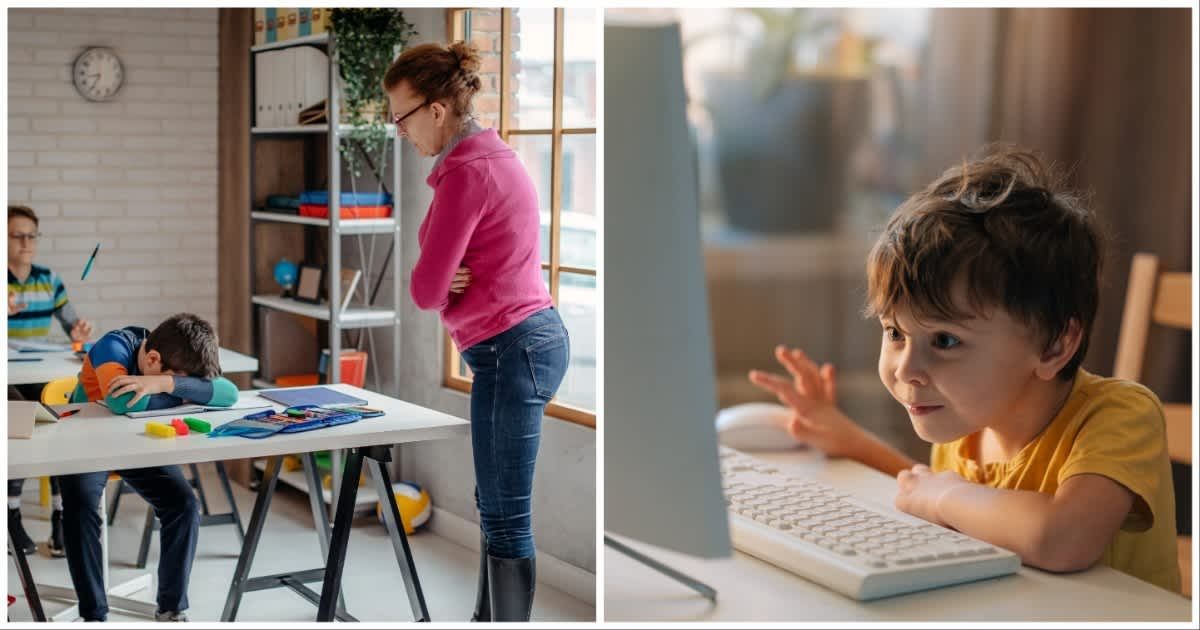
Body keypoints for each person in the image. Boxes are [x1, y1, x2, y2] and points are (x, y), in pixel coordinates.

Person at [749, 146, 1180, 593]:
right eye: (894, 332)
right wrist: (848, 439)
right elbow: (925, 490)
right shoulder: (969, 420)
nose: (908, 369)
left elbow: (1061, 538)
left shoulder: (1119, 415)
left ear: (1054, 346)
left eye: (945, 340)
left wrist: (945, 496)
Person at [384, 41, 570, 621]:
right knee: (494, 510)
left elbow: (422, 291)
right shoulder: (490, 159)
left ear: (435, 110)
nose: (400, 132)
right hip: (524, 343)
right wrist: (442, 277)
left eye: (401, 117)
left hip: (511, 350)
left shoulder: (468, 175)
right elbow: (437, 282)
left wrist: (439, 277)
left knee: (506, 518)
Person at [58, 313, 240, 621]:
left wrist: (165, 382)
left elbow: (229, 393)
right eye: (176, 379)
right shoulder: (112, 347)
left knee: (183, 505)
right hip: (83, 445)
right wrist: (183, 395)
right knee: (80, 508)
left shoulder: (168, 363)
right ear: (152, 358)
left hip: (135, 447)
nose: (179, 388)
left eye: (186, 383)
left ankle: (172, 609)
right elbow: (121, 402)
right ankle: (94, 615)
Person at [7, 204, 95, 559]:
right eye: (17, 235)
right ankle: (11, 515)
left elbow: (73, 327)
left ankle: (62, 514)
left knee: (62, 421)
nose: (26, 242)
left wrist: (79, 331)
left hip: (39, 372)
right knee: (21, 419)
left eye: (32, 235)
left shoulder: (49, 279)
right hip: (8, 377)